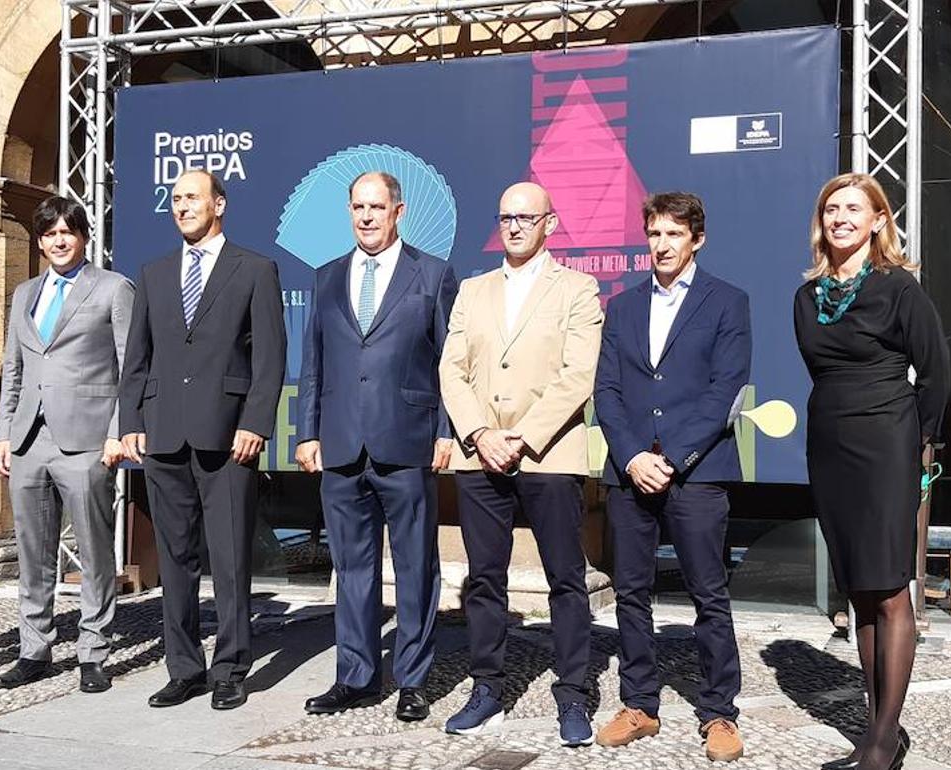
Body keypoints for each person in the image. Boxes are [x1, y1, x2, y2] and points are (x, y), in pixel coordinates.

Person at [438, 181, 602, 746]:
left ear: (550, 224)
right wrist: (481, 433)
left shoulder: (578, 289)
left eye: (526, 217)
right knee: (484, 578)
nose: (513, 226)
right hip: (478, 454)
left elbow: (578, 375)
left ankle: (573, 694)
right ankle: (486, 688)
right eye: (505, 216)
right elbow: (451, 369)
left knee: (565, 577)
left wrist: (522, 436)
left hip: (549, 453)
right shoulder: (473, 290)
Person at [794, 173, 949, 770]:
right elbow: (820, 372)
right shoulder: (806, 298)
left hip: (889, 447)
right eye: (831, 208)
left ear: (879, 220)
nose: (840, 218)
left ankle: (884, 741)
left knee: (889, 589)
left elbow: (936, 375)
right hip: (830, 449)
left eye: (854, 208)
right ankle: (877, 728)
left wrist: (921, 448)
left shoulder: (899, 289)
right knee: (859, 590)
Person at [118, 169, 286, 710]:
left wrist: (255, 423)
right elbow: (136, 360)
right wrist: (130, 423)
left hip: (227, 438)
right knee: (176, 558)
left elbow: (269, 359)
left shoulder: (255, 269)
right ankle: (183, 667)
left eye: (192, 197)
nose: (182, 206)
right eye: (175, 199)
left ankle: (232, 667)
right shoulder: (155, 272)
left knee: (232, 558)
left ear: (220, 204)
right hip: (164, 436)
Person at [593, 192, 751, 762]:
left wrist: (673, 459)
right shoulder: (624, 306)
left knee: (709, 595)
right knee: (631, 593)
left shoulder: (728, 302)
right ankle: (639, 705)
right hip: (629, 473)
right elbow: (605, 390)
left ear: (697, 240)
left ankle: (719, 713)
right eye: (655, 234)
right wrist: (633, 456)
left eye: (674, 235)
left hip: (699, 473)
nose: (662, 245)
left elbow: (724, 392)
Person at [295, 171, 457, 722]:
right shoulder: (326, 277)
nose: (366, 216)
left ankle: (412, 680)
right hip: (341, 445)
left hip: (407, 442)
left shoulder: (432, 275)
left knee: (415, 568)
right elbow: (312, 362)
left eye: (376, 207)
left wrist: (446, 431)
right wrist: (307, 432)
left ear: (398, 211)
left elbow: (449, 365)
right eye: (357, 207)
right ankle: (356, 676)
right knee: (352, 569)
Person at [0, 197, 134, 694]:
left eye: (67, 232)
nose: (58, 241)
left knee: (94, 550)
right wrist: (3, 433)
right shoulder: (24, 292)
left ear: (83, 236)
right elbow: (13, 366)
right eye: (49, 234)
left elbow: (129, 369)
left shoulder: (113, 288)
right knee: (33, 552)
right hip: (30, 437)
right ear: (40, 240)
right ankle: (34, 649)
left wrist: (118, 433)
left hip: (88, 439)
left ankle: (93, 651)